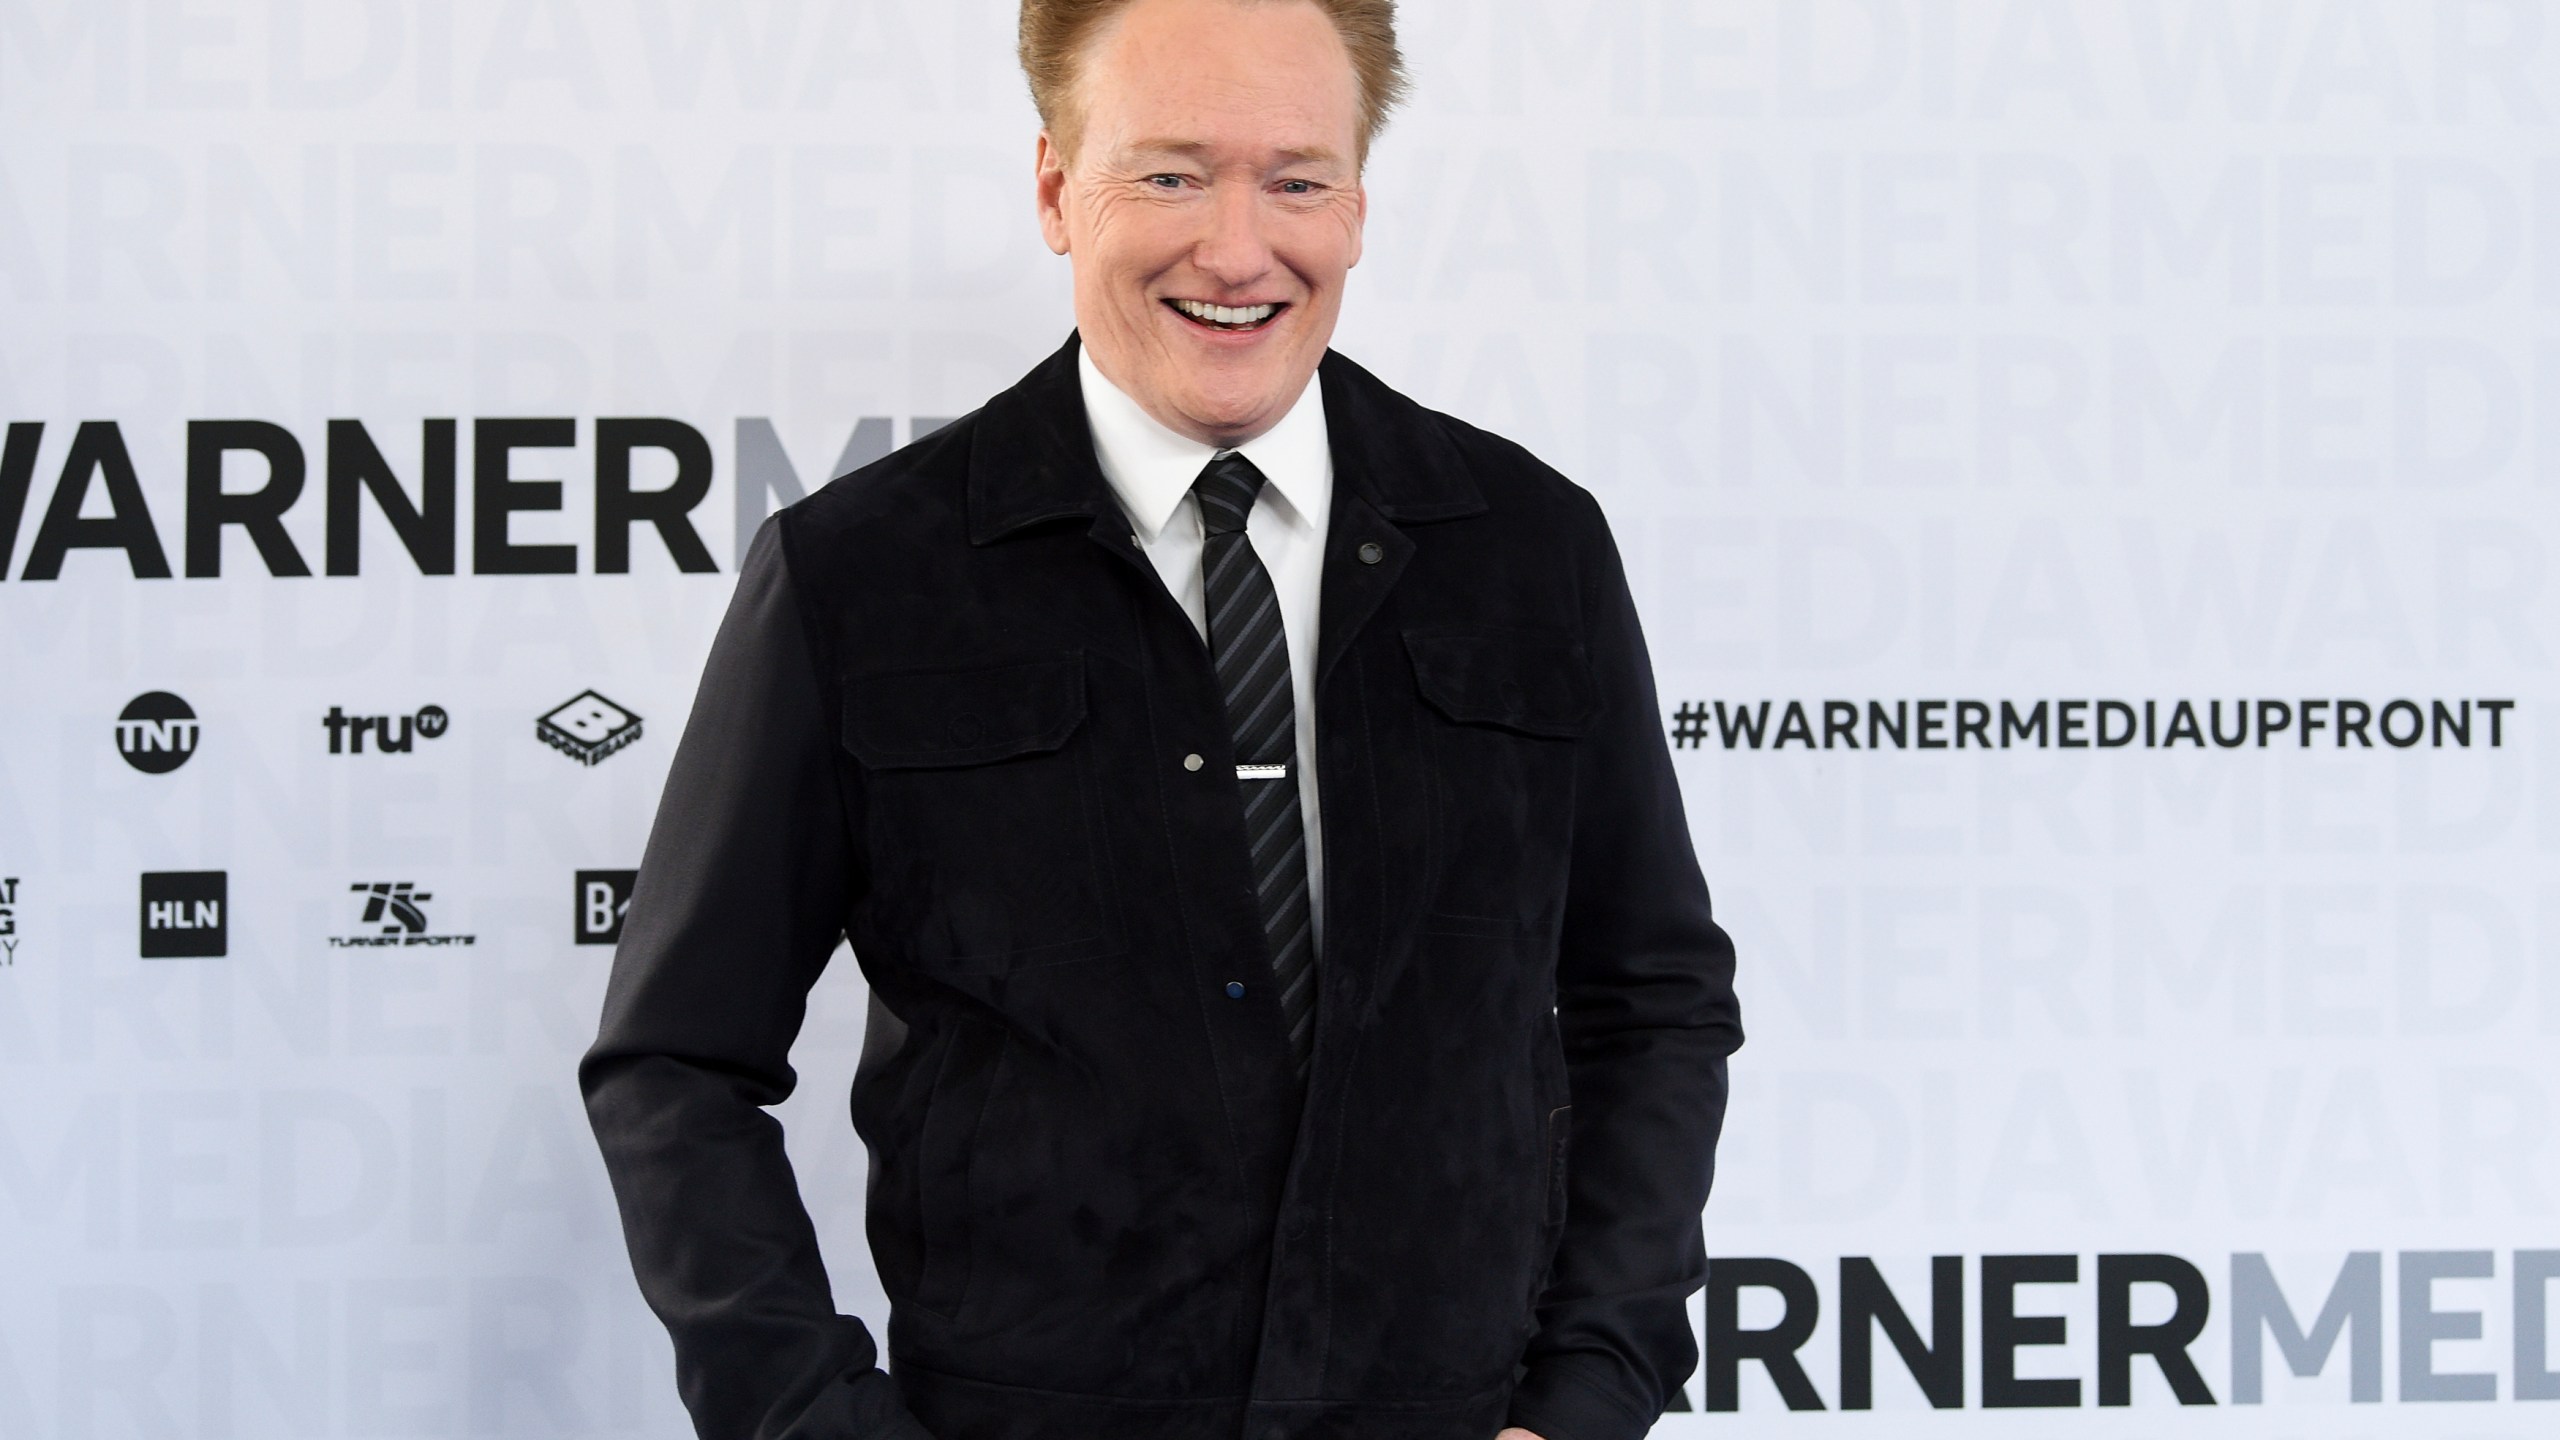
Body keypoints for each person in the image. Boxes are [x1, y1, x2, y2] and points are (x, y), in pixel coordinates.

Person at [578, 2, 1743, 1437]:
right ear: (1060, 190)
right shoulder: (861, 578)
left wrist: (1586, 1397)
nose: (1240, 250)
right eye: (1171, 174)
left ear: (1361, 206)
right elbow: (676, 1065)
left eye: (1296, 179)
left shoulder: (1531, 550)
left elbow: (1655, 1005)